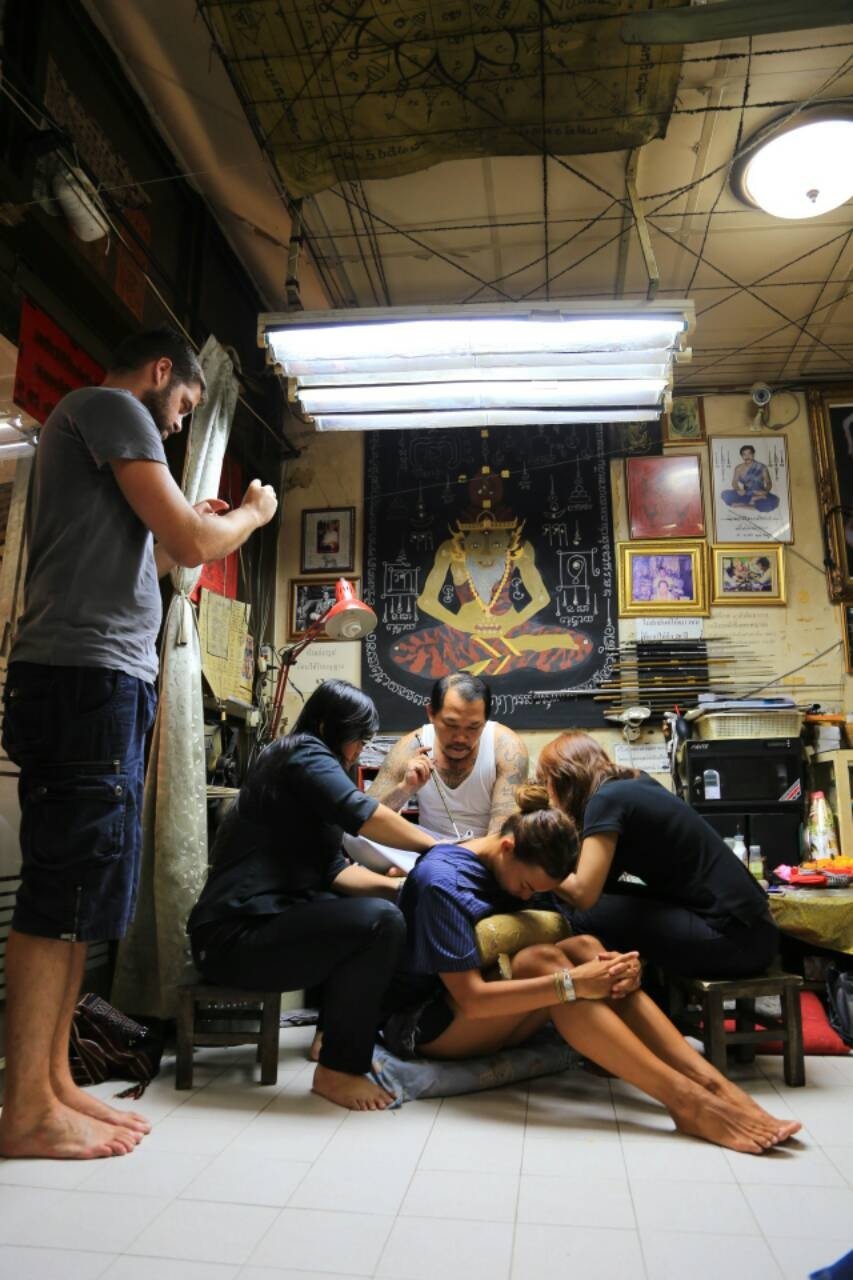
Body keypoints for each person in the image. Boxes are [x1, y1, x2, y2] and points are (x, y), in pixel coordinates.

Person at [0, 326, 278, 1161]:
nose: (178, 424)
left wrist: (187, 526)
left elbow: (160, 556)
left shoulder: (101, 430)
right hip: (83, 679)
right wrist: (252, 515)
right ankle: (25, 1108)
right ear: (162, 373)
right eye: (184, 404)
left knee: (79, 898)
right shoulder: (113, 407)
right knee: (60, 893)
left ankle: (53, 1085)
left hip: (98, 680)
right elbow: (192, 547)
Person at [380, 789, 799, 1154]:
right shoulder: (443, 883)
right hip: (424, 1024)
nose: (527, 897)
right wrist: (570, 984)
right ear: (507, 846)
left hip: (487, 1010)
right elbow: (471, 999)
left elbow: (574, 952)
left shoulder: (523, 867)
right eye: (526, 887)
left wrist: (620, 972)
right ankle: (685, 1101)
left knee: (587, 950)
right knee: (547, 965)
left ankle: (714, 1085)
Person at [187, 679, 438, 1113]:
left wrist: (402, 887)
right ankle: (338, 1069)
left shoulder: (308, 772)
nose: (358, 750)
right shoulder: (302, 752)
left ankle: (338, 1041)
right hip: (232, 938)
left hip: (262, 929)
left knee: (389, 911)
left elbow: (336, 872)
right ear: (325, 725)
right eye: (357, 738)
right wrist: (438, 849)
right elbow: (362, 814)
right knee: (380, 924)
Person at [535, 731, 780, 977]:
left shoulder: (605, 800)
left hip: (736, 939)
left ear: (562, 779)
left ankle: (609, 990)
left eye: (546, 782)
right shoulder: (635, 784)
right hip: (755, 930)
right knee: (606, 907)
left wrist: (538, 866)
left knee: (585, 915)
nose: (549, 795)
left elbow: (583, 894)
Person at [368, 672, 529, 839]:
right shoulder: (410, 745)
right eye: (451, 725)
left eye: (473, 727)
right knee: (358, 842)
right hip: (427, 845)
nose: (460, 738)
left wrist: (460, 852)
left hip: (484, 848)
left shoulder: (507, 748)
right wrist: (405, 789)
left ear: (485, 721)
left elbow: (502, 838)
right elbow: (365, 819)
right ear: (431, 713)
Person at [722, 445, 779, 512]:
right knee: (725, 495)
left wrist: (765, 492)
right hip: (746, 493)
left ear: (753, 454)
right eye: (744, 454)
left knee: (772, 502)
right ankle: (753, 501)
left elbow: (768, 483)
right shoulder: (738, 468)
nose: (747, 456)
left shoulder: (762, 467)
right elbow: (734, 482)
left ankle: (744, 504)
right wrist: (738, 490)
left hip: (759, 492)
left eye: (749, 454)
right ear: (741, 456)